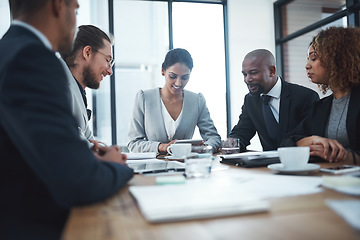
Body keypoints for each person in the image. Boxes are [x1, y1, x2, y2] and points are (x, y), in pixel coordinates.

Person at [0, 1, 133, 239]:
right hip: (32, 226)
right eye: (76, 9)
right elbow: (78, 181)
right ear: (58, 5)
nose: (75, 20)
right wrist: (116, 165)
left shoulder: (10, 50)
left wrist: (82, 153)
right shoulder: (30, 59)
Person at [281, 27, 360, 164]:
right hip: (327, 178)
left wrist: (348, 158)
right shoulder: (321, 106)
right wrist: (306, 141)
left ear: (336, 58)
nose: (307, 65)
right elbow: (286, 142)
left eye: (314, 58)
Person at [127, 48, 221, 153]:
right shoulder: (144, 98)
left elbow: (214, 138)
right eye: (172, 76)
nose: (178, 83)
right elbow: (134, 143)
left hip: (186, 166)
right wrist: (163, 147)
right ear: (163, 71)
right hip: (153, 168)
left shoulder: (197, 101)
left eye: (185, 78)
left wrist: (203, 148)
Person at [228, 49, 319, 152]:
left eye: (253, 73)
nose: (247, 79)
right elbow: (243, 131)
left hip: (299, 163)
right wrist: (233, 141)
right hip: (267, 166)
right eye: (245, 74)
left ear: (272, 71)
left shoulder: (305, 97)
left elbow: (310, 137)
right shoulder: (250, 100)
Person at [60, 24, 114, 143]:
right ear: (87, 52)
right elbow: (70, 141)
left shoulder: (76, 89)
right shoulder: (57, 84)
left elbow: (89, 139)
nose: (110, 71)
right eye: (107, 60)